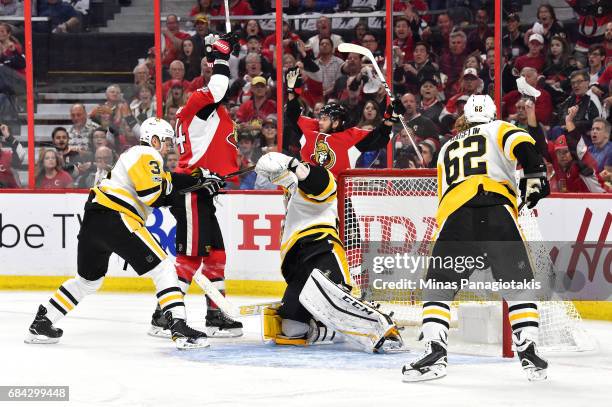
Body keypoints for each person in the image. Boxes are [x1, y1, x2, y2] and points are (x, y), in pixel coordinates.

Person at [25, 118, 214, 349]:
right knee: (163, 268)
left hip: (94, 220)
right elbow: (152, 196)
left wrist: (198, 179)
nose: (168, 147)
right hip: (117, 217)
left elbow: (169, 181)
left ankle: (43, 322)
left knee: (88, 281)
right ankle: (179, 328)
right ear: (154, 140)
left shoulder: (137, 158)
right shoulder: (148, 154)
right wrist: (191, 191)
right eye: (165, 142)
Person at [402, 95, 550, 382]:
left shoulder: (447, 147)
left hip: (457, 216)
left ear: (465, 117)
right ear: (492, 114)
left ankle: (435, 352)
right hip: (496, 212)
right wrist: (535, 173)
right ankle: (529, 348)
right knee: (518, 287)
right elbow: (525, 144)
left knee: (438, 287)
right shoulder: (498, 128)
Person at [254, 151, 403, 351]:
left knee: (338, 303)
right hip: (298, 262)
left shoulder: (319, 179)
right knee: (291, 329)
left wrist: (295, 165)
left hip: (322, 250)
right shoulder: (292, 194)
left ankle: (383, 329)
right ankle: (329, 329)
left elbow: (323, 184)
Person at [148, 32, 243, 338]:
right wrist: (220, 57)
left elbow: (222, 87)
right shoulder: (198, 105)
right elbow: (218, 86)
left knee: (216, 255)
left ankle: (216, 315)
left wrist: (221, 55)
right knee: (189, 259)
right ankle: (163, 315)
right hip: (191, 190)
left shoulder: (200, 111)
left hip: (202, 190)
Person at [285, 67, 405, 179]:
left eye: (325, 119)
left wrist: (389, 120)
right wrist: (292, 93)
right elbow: (292, 116)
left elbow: (379, 139)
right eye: (320, 118)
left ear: (336, 123)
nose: (320, 122)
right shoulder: (310, 131)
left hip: (339, 197)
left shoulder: (350, 138)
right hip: (308, 194)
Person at [0, 123, 25, 188]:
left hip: (12, 196)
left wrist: (8, 136)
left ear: (1, 144)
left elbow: (21, 153)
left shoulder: (8, 155)